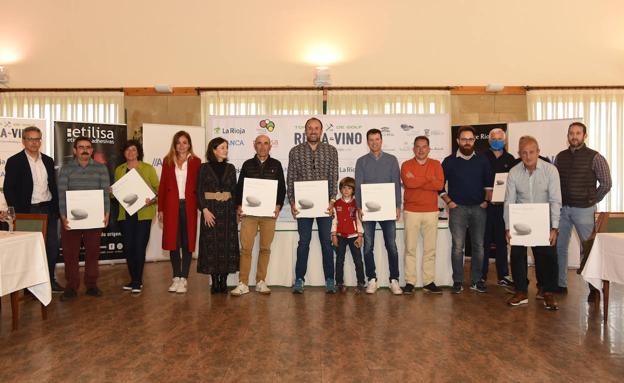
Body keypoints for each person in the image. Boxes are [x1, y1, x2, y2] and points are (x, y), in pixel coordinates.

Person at [554, 122, 611, 300]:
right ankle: (560, 284)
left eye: (578, 133)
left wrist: (592, 199)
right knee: (559, 248)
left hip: (584, 211)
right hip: (563, 210)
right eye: (571, 133)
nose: (574, 136)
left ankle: (593, 288)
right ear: (568, 136)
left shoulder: (595, 157)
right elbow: (555, 184)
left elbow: (606, 183)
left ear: (584, 136)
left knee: (589, 250)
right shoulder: (560, 157)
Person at [3, 126, 63, 292]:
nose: (34, 142)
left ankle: (50, 281)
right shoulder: (15, 161)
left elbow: (52, 186)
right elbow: (9, 189)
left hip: (48, 210)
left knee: (51, 248)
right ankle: (29, 287)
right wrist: (19, 213)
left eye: (37, 139)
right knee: (30, 251)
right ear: (23, 141)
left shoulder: (48, 161)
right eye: (30, 139)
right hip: (28, 212)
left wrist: (56, 209)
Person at [504, 136, 561, 310]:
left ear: (538, 152)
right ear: (519, 154)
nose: (528, 156)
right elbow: (509, 202)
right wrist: (507, 227)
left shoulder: (550, 171)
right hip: (520, 220)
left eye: (531, 152)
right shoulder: (513, 172)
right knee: (516, 255)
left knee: (547, 257)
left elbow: (555, 200)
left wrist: (554, 228)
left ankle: (547, 292)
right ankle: (521, 291)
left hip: (543, 220)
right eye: (524, 153)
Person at [287, 117, 339, 294]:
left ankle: (330, 279)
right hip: (303, 207)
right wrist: (293, 202)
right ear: (305, 131)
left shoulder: (331, 151)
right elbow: (291, 179)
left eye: (316, 128)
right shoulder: (295, 152)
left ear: (321, 131)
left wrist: (332, 201)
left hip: (325, 206)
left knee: (326, 243)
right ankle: (299, 279)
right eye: (310, 128)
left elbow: (334, 177)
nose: (313, 131)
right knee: (304, 243)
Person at [441, 125, 493, 294]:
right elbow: (439, 186)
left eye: (470, 139)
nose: (467, 142)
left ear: (474, 140)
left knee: (479, 246)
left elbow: (489, 185)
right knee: (458, 247)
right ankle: (458, 281)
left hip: (479, 208)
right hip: (458, 210)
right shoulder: (449, 161)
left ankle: (477, 281)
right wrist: (449, 202)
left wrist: (486, 201)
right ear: (458, 141)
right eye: (464, 139)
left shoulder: (483, 160)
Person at [231, 135, 285, 296]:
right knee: (246, 249)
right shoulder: (247, 164)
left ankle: (261, 281)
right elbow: (240, 188)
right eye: (259, 144)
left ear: (270, 146)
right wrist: (238, 206)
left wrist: (278, 205)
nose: (262, 147)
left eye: (266, 143)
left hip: (269, 214)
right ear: (254, 146)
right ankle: (243, 283)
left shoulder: (276, 164)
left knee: (265, 248)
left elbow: (281, 188)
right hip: (249, 214)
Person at [57, 136, 110, 301]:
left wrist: (106, 213)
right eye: (81, 147)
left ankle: (91, 285)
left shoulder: (101, 169)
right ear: (75, 150)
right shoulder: (66, 169)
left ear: (92, 150)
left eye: (88, 147)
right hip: (71, 220)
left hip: (94, 220)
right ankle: (71, 286)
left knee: (93, 253)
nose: (85, 150)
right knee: (70, 254)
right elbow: (62, 195)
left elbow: (105, 193)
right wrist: (64, 216)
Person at [355, 128, 403, 295]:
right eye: (371, 140)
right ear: (367, 142)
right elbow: (359, 187)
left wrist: (398, 206)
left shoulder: (391, 160)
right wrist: (359, 207)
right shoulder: (361, 161)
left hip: (388, 209)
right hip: (368, 211)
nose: (374, 142)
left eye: (377, 139)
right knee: (368, 246)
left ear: (381, 141)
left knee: (392, 245)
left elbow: (396, 184)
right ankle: (372, 279)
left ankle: (394, 279)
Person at [158, 131, 201, 294]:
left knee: (187, 242)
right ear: (174, 145)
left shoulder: (197, 162)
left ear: (189, 144)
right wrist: (160, 208)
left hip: (189, 206)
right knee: (173, 243)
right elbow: (162, 186)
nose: (182, 145)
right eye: (178, 142)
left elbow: (200, 186)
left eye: (185, 142)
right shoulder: (167, 161)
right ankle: (176, 277)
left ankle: (184, 278)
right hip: (171, 206)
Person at [401, 135, 445, 294]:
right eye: (417, 147)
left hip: (431, 211)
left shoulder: (436, 164)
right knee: (410, 249)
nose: (420, 150)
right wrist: (428, 179)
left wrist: (419, 179)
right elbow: (409, 183)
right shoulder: (406, 165)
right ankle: (410, 282)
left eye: (424, 147)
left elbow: (439, 184)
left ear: (428, 148)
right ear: (413, 148)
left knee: (430, 249)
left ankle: (428, 281)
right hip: (411, 211)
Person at [114, 140, 159, 294]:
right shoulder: (119, 170)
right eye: (127, 150)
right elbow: (119, 195)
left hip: (143, 214)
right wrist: (112, 192)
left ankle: (138, 281)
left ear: (138, 152)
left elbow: (158, 192)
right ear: (124, 153)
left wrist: (152, 200)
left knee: (139, 247)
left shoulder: (148, 169)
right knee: (128, 248)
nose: (130, 152)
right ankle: (133, 279)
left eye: (133, 149)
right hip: (125, 215)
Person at [197, 137, 240, 294]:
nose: (225, 150)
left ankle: (224, 280)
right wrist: (205, 210)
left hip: (228, 213)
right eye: (222, 147)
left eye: (226, 147)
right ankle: (215, 280)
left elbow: (235, 192)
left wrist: (236, 210)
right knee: (212, 246)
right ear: (213, 150)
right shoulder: (204, 168)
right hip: (210, 212)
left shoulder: (231, 168)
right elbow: (199, 190)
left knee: (227, 245)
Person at [481, 128, 515, 287]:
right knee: (483, 241)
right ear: (489, 141)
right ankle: (481, 275)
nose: (496, 140)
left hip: (503, 208)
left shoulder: (511, 159)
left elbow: (514, 183)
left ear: (505, 140)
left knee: (502, 242)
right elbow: (476, 180)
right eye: (493, 138)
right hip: (485, 206)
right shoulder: (481, 157)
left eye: (499, 138)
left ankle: (503, 275)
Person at [331, 177, 365, 293]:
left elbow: (359, 220)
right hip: (340, 236)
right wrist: (334, 235)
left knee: (358, 260)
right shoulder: (336, 204)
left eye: (349, 188)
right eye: (344, 188)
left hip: (354, 236)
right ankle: (339, 283)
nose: (346, 190)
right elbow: (334, 220)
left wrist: (360, 236)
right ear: (340, 189)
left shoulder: (356, 204)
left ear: (353, 190)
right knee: (339, 260)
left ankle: (361, 283)